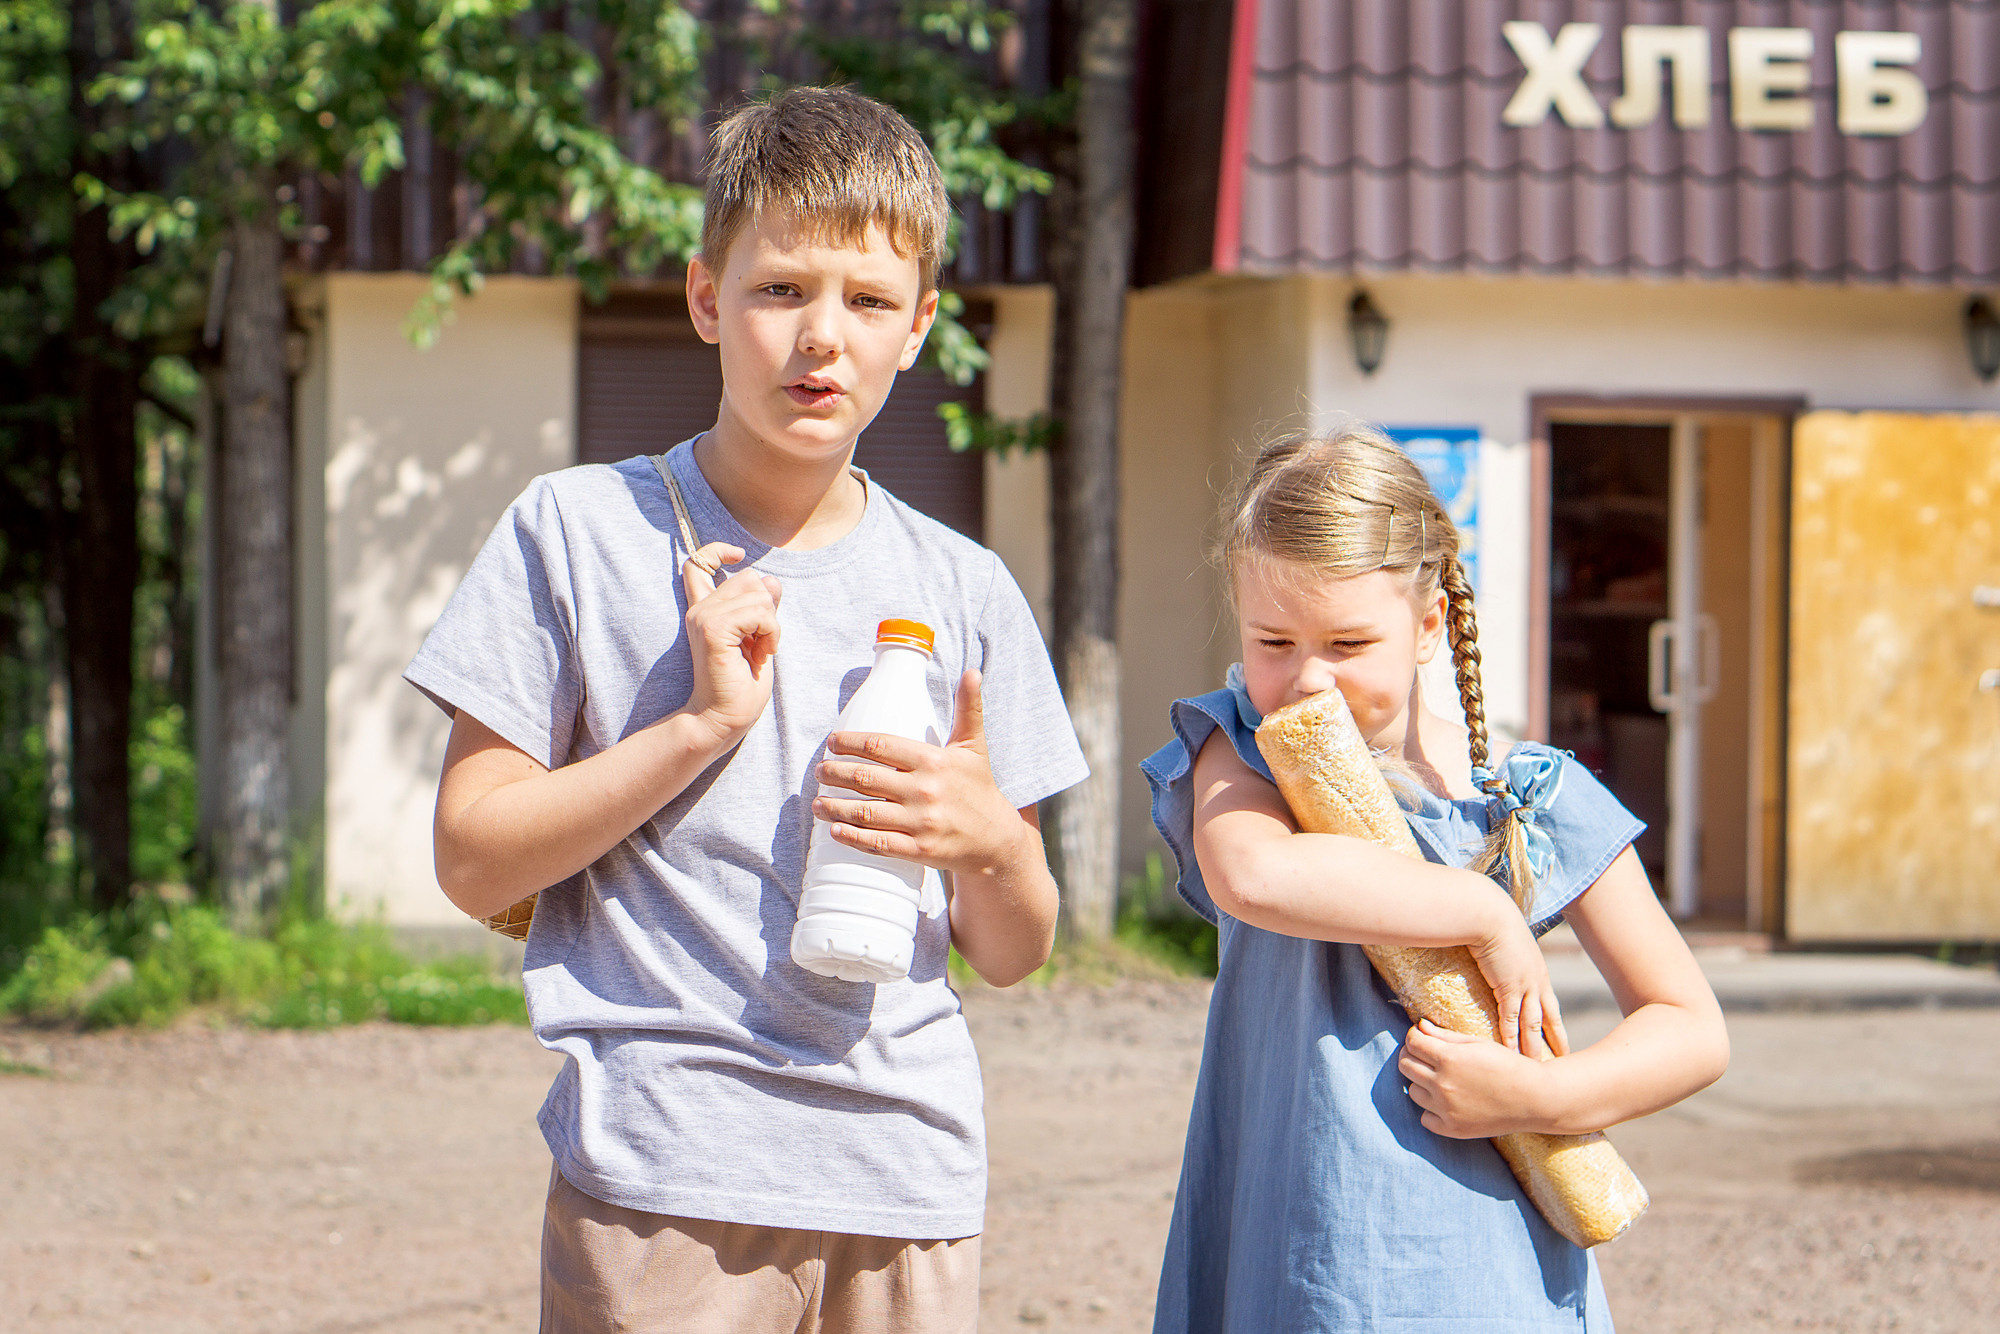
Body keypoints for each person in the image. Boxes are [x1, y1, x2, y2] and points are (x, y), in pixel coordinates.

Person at [405, 87, 1086, 1333]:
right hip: (664, 1176)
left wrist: (986, 838)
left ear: (920, 327)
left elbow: (1013, 948)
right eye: (780, 289)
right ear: (706, 297)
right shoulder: (574, 533)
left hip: (909, 1177)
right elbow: (470, 853)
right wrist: (695, 728)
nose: (822, 338)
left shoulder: (965, 588)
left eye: (870, 301)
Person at [1141, 423, 1729, 1331]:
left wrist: (1539, 1097)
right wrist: (1478, 910)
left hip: (1485, 1272)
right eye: (1272, 641)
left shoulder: (1527, 797)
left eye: (1347, 642)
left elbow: (1690, 1028)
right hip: (1299, 1259)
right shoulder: (1241, 754)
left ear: (1429, 627)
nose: (1307, 681)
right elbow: (1253, 876)